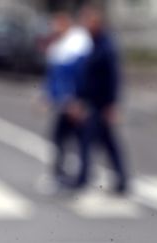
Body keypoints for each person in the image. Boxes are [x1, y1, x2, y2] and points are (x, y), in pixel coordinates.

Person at [75, 5, 129, 194]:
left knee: (87, 141)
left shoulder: (106, 45)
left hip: (102, 104)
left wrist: (112, 105)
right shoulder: (95, 42)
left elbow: (113, 77)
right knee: (107, 142)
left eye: (87, 21)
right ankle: (122, 181)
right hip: (95, 102)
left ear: (96, 23)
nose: (84, 25)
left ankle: (83, 179)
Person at [44, 10, 92, 188]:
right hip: (64, 104)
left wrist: (76, 101)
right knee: (63, 140)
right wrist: (48, 96)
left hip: (73, 104)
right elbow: (53, 77)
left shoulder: (77, 45)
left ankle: (79, 179)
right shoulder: (58, 45)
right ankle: (67, 176)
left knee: (77, 141)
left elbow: (77, 77)